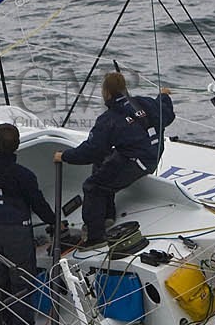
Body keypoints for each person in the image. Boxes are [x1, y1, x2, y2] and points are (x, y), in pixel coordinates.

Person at [54, 70, 174, 243]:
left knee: (93, 186)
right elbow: (166, 113)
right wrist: (164, 96)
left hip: (138, 162)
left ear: (107, 93)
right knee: (102, 160)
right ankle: (107, 215)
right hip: (153, 154)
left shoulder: (109, 119)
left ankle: (95, 238)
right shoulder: (144, 102)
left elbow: (90, 150)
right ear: (124, 88)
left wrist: (64, 156)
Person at [0, 123, 59, 325]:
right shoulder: (24, 175)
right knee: (21, 284)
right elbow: (38, 204)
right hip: (16, 234)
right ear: (18, 145)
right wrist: (55, 223)